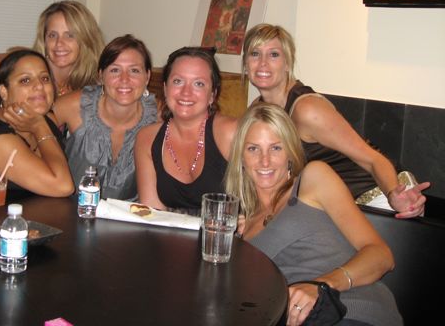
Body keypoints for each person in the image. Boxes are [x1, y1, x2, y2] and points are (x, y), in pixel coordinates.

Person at [225, 104, 402, 326]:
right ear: (240, 157)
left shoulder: (312, 179)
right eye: (253, 149)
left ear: (290, 152)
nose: (265, 161)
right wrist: (238, 243)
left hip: (352, 311)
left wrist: (322, 285)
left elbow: (382, 256)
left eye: (276, 148)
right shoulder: (241, 227)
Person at [242, 23, 429, 218]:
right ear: (246, 64)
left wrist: (393, 194)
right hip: (333, 205)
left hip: (377, 197)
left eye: (273, 55)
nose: (263, 63)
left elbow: (372, 159)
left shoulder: (307, 109)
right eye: (255, 54)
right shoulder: (258, 108)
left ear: (287, 63)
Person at [45, 35, 157, 200]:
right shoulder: (75, 105)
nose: (124, 79)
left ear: (147, 76)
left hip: (129, 215)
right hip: (67, 211)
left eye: (134, 70)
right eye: (114, 70)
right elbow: (34, 131)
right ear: (101, 76)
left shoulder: (158, 118)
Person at [135, 47, 238, 213]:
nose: (186, 92)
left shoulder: (230, 133)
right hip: (169, 229)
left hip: (228, 230)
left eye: (198, 84)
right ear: (165, 88)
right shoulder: (147, 138)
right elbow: (152, 214)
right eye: (178, 81)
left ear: (212, 94)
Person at [0, 50, 74, 197]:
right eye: (25, 80)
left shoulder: (42, 120)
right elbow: (63, 186)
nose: (39, 86)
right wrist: (40, 128)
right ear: (4, 92)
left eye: (45, 78)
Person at [33, 0, 104, 96]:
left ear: (86, 40)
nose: (59, 43)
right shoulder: (29, 80)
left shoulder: (98, 86)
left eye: (69, 35)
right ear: (44, 40)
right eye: (52, 35)